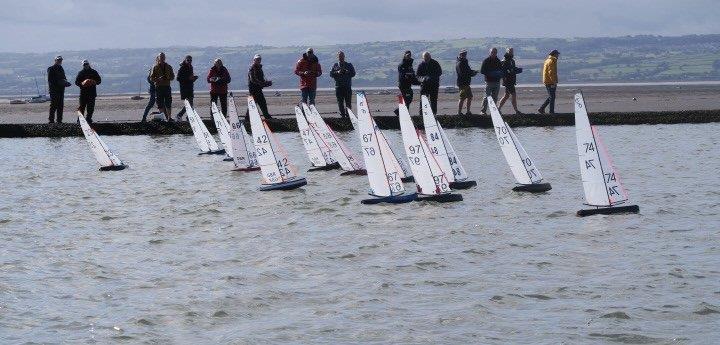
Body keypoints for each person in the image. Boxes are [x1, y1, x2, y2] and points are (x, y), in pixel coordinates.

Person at [149, 52, 175, 121]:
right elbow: (151, 78)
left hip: (167, 86)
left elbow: (173, 77)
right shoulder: (155, 67)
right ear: (158, 58)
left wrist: (169, 77)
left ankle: (169, 118)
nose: (162, 58)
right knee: (160, 102)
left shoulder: (169, 67)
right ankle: (162, 117)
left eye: (163, 57)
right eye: (161, 57)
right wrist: (158, 79)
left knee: (168, 102)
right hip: (159, 87)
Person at [330, 51, 356, 117]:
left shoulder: (349, 65)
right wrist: (337, 72)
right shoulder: (335, 65)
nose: (341, 57)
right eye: (339, 56)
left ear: (344, 57)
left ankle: (348, 115)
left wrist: (347, 72)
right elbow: (331, 74)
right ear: (338, 57)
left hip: (347, 86)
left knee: (348, 102)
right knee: (340, 102)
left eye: (342, 56)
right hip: (338, 87)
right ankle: (342, 116)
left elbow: (353, 74)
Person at [498, 47, 524, 114]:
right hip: (507, 81)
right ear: (507, 52)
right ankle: (516, 110)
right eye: (510, 51)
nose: (511, 52)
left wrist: (517, 70)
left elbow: (512, 69)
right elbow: (504, 71)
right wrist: (511, 72)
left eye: (512, 51)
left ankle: (498, 108)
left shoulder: (512, 60)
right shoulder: (504, 61)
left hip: (512, 80)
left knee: (506, 96)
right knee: (513, 95)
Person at [394, 50, 421, 115]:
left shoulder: (410, 65)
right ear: (405, 56)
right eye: (407, 55)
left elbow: (412, 75)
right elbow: (405, 76)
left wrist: (418, 82)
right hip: (403, 85)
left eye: (409, 55)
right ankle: (401, 112)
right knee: (407, 100)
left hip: (408, 85)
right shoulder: (402, 65)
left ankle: (402, 112)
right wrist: (417, 82)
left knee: (408, 99)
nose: (408, 56)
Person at [247, 54, 273, 119]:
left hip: (258, 88)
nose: (258, 60)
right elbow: (253, 79)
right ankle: (248, 118)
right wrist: (263, 84)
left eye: (259, 59)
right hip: (253, 89)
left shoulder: (259, 67)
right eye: (257, 59)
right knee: (256, 103)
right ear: (254, 60)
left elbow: (261, 79)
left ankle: (266, 116)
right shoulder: (252, 68)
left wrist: (266, 83)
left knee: (259, 102)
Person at [47, 55, 71, 123]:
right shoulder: (51, 68)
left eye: (60, 60)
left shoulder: (61, 68)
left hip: (61, 90)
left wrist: (66, 82)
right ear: (55, 60)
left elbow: (64, 77)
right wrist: (59, 82)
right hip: (54, 90)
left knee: (60, 106)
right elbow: (50, 80)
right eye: (58, 60)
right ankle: (51, 120)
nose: (59, 61)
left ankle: (59, 120)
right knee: (53, 105)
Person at [480, 47, 503, 114]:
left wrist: (499, 74)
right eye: (492, 52)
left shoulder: (498, 61)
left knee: (495, 97)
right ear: (490, 53)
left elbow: (501, 71)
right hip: (489, 81)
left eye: (495, 52)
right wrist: (490, 73)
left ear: (496, 53)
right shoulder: (486, 61)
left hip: (497, 82)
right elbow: (482, 71)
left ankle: (493, 111)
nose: (494, 53)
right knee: (486, 97)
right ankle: (483, 111)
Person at [175, 55, 198, 121]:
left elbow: (190, 77)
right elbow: (178, 78)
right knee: (189, 103)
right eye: (188, 60)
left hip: (190, 87)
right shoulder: (182, 68)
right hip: (184, 88)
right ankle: (180, 115)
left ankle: (188, 117)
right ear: (185, 60)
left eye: (190, 60)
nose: (189, 61)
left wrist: (194, 78)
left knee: (190, 103)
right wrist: (188, 78)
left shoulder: (191, 67)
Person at [455, 49, 477, 116]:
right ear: (461, 55)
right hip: (463, 83)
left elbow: (468, 71)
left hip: (465, 83)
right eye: (463, 54)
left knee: (469, 97)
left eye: (465, 54)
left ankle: (467, 111)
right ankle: (459, 112)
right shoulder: (461, 63)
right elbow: (464, 73)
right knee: (462, 98)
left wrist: (473, 72)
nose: (465, 55)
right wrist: (472, 73)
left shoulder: (462, 62)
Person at [538, 50, 560, 114]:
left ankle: (542, 108)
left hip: (547, 80)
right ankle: (551, 111)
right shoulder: (551, 61)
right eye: (557, 54)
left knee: (551, 96)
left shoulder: (548, 60)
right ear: (555, 54)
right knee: (552, 97)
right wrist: (554, 82)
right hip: (550, 81)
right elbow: (551, 73)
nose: (558, 55)